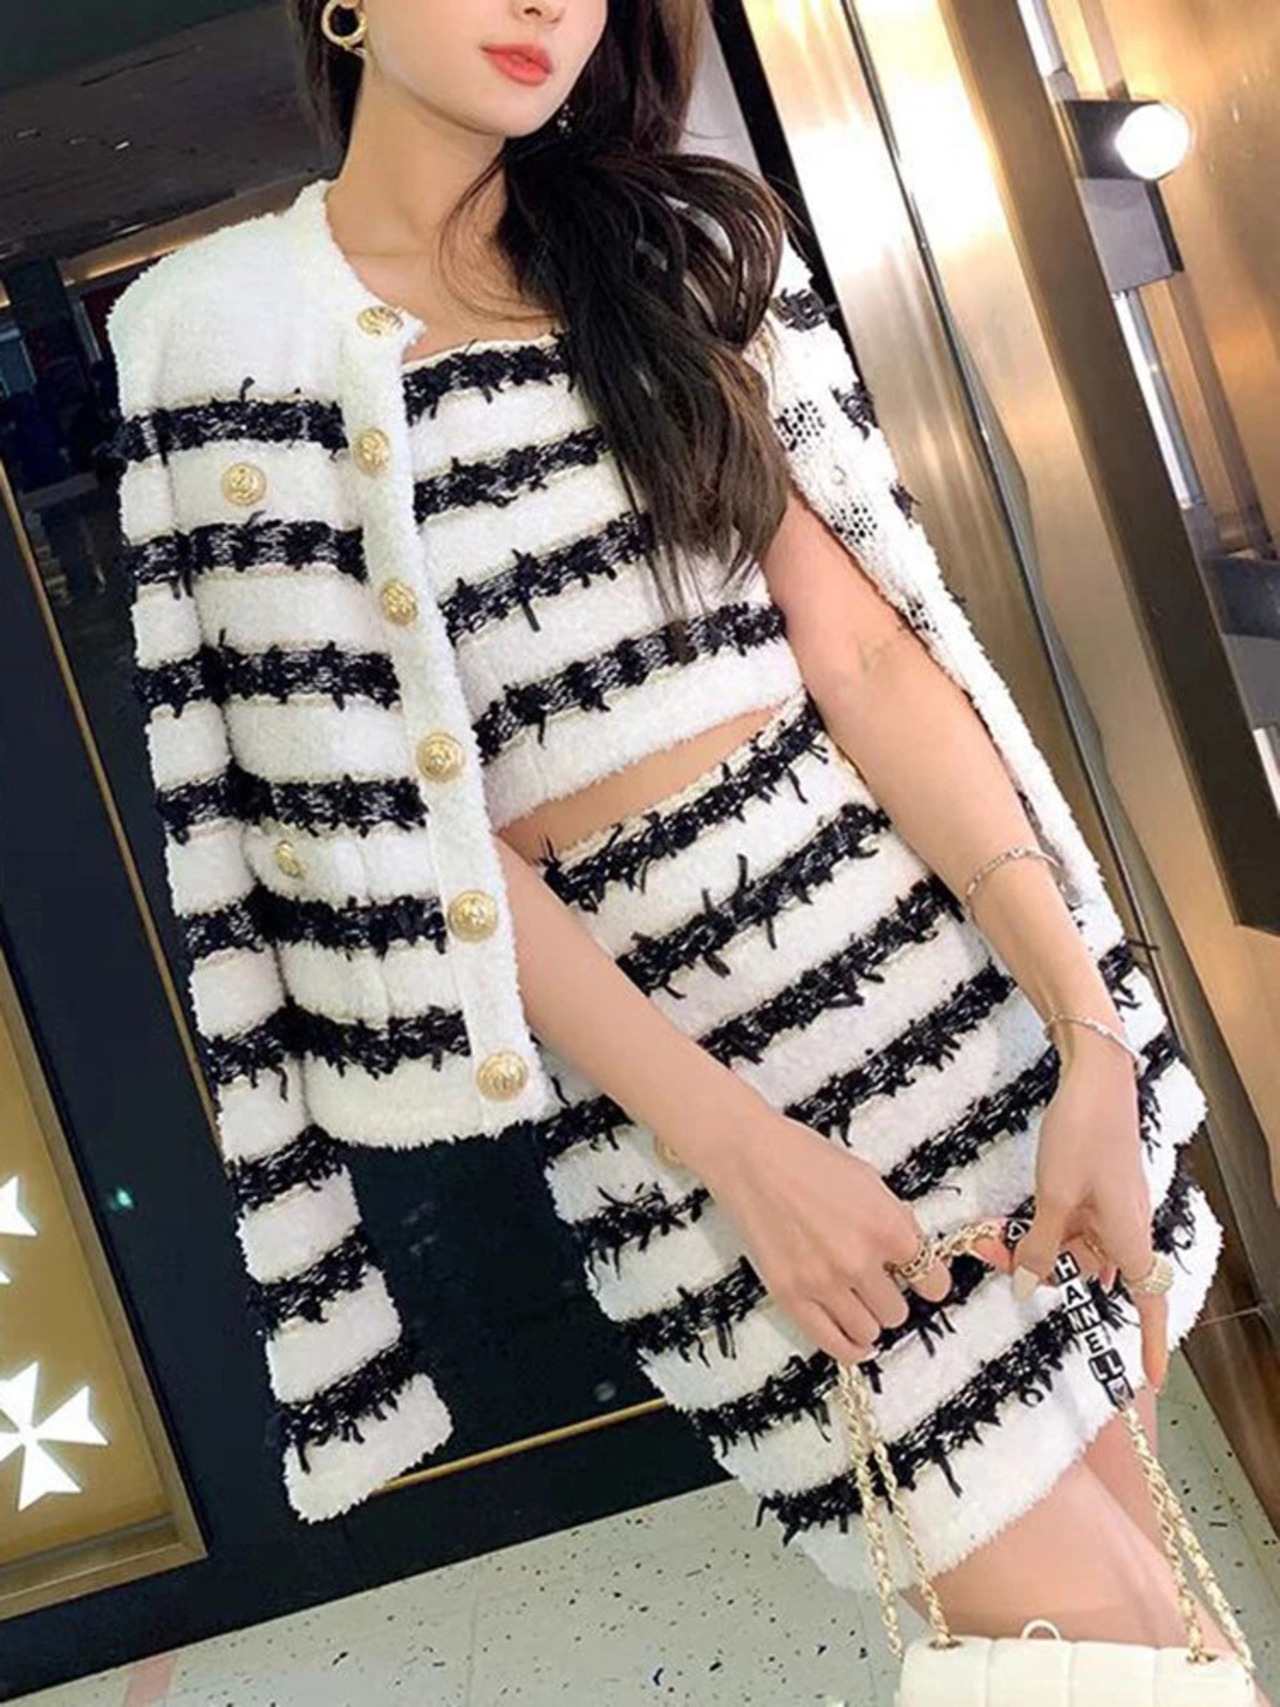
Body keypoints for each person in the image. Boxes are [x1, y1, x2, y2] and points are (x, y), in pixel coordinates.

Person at [112, 0, 1257, 1689]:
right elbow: (413, 846)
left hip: (961, 1006)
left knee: (1148, 1615)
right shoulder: (223, 338)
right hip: (687, 1116)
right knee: (1100, 1639)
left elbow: (870, 662)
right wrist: (742, 1155)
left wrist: (1085, 1029)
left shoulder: (671, 254)